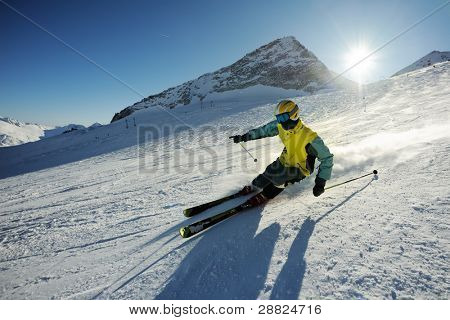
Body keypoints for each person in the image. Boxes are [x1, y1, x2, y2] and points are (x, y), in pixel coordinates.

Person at [229, 99, 333, 205]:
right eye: (278, 118)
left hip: (300, 169)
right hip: (285, 160)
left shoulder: (310, 137)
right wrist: (244, 137)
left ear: (294, 115)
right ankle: (254, 186)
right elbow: (264, 130)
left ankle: (265, 195)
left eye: (283, 117)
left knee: (280, 178)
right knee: (269, 172)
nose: (281, 122)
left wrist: (320, 182)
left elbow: (327, 158)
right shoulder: (280, 126)